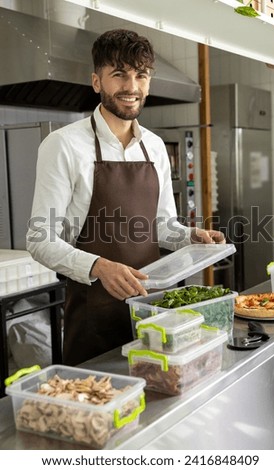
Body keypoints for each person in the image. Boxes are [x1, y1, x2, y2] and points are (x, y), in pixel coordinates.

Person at [26, 29, 225, 366]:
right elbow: (40, 239)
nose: (132, 86)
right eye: (119, 74)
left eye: (141, 75)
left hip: (155, 313)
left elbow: (161, 226)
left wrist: (191, 236)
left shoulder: (155, 146)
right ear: (96, 81)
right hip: (94, 318)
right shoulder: (63, 146)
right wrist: (99, 267)